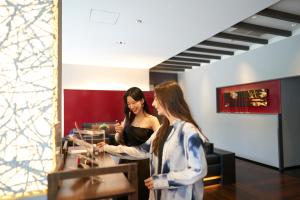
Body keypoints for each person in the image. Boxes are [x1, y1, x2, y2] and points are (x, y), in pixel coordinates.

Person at [98, 81, 208, 200]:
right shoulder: (162, 130)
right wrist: (106, 148)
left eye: (156, 99)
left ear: (167, 100)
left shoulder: (189, 131)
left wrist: (162, 181)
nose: (153, 103)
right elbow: (140, 151)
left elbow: (198, 170)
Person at [106, 86, 160, 200]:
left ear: (142, 100)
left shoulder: (152, 120)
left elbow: (160, 143)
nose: (131, 107)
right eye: (128, 104)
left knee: (139, 195)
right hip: (125, 162)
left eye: (134, 102)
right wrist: (119, 132)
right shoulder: (128, 117)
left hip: (142, 166)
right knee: (121, 196)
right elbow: (119, 141)